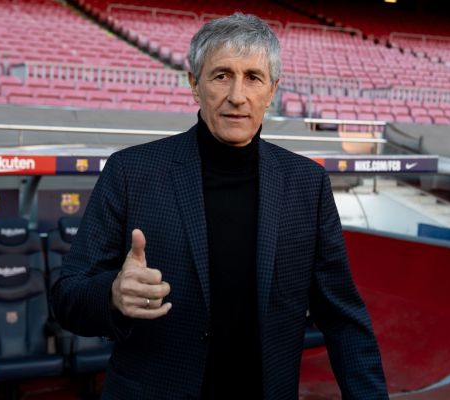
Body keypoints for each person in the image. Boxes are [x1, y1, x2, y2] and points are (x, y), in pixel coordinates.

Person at [51, 13, 388, 400]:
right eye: (221, 75)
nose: (237, 96)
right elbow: (67, 297)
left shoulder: (307, 184)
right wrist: (112, 294)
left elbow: (343, 319)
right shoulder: (131, 171)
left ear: (272, 90)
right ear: (195, 84)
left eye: (253, 78)